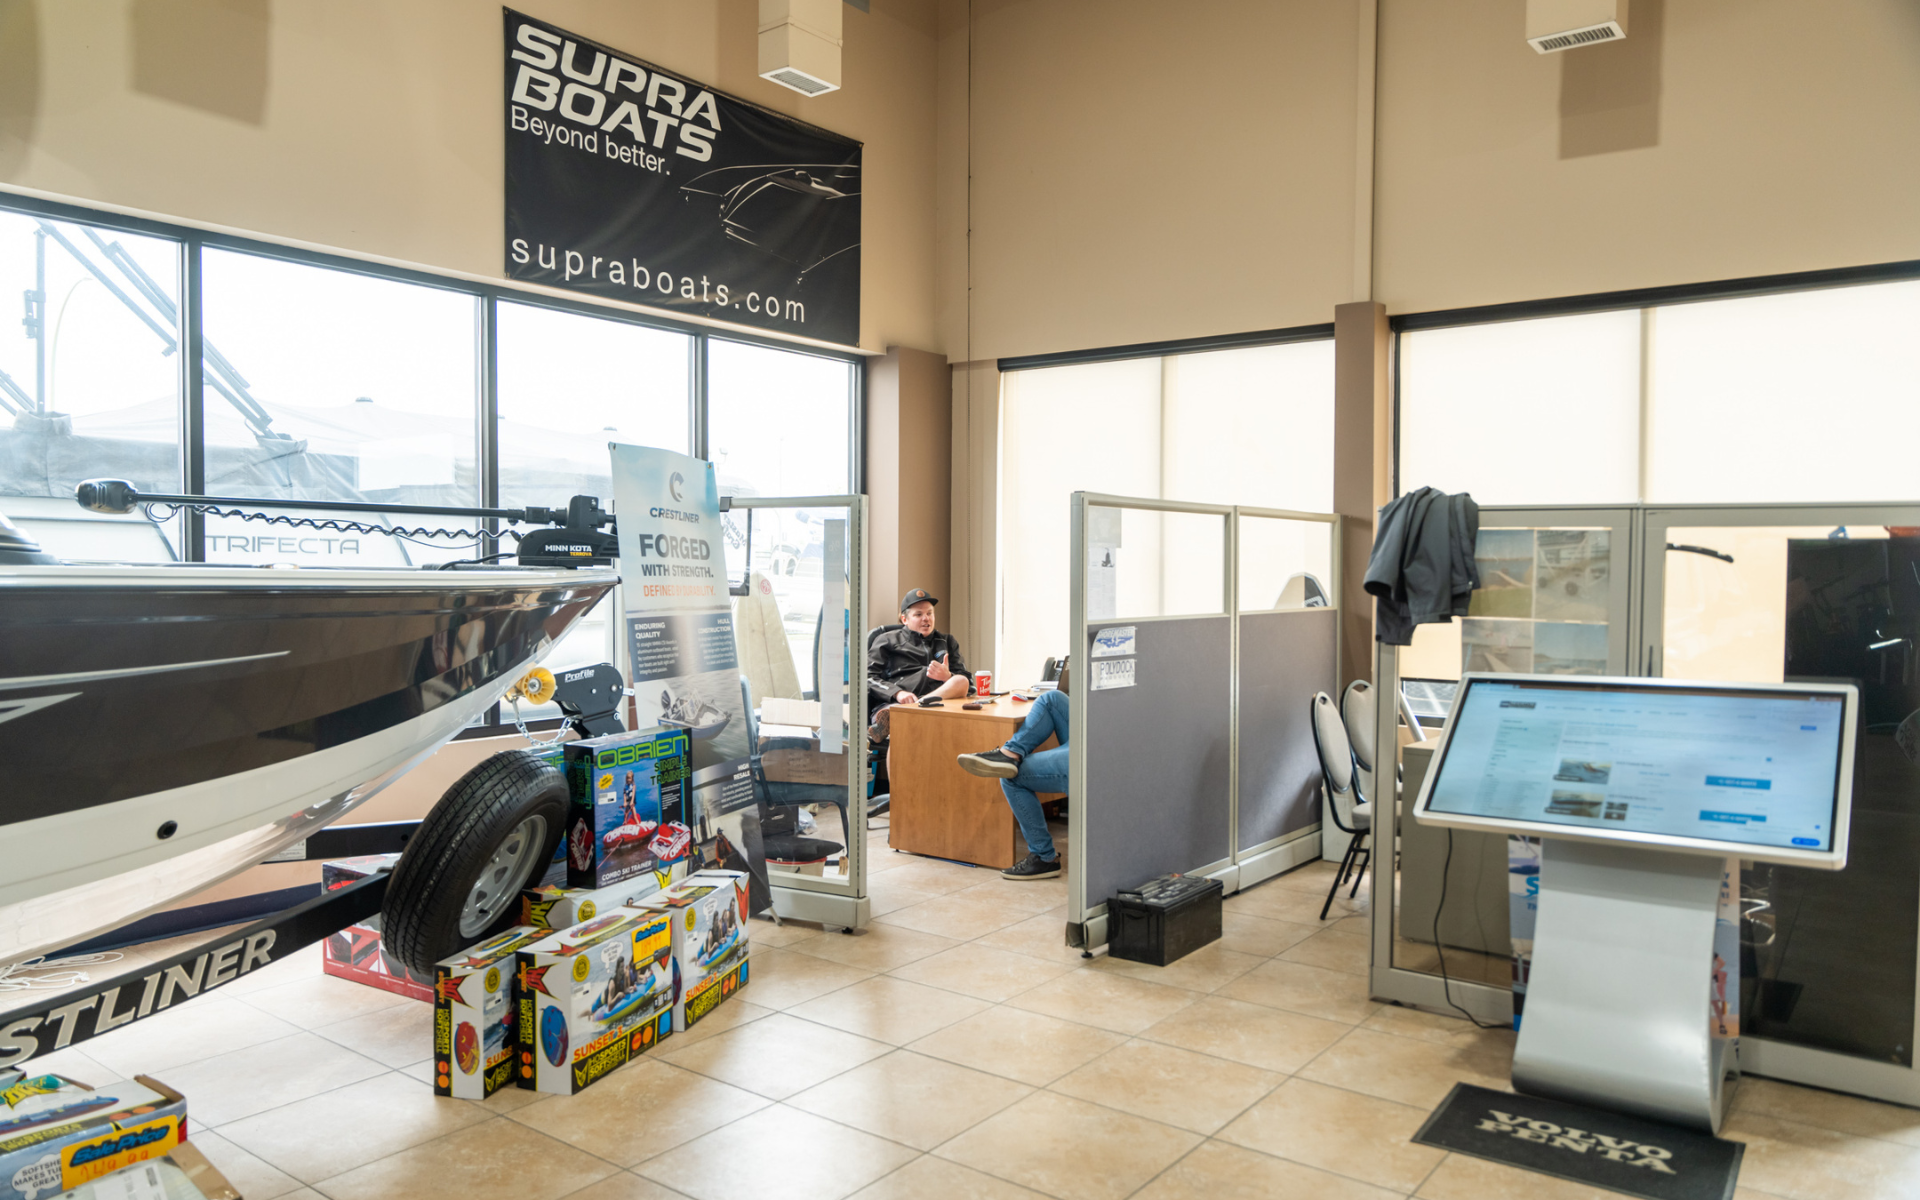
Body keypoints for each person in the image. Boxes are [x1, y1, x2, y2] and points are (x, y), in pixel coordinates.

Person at [955, 680, 1068, 880]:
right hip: (1096, 733)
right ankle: (1010, 752)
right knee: (1052, 698)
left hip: (1099, 750)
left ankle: (1044, 857)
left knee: (1010, 775)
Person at [867, 589, 971, 731]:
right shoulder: (886, 640)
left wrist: (947, 677)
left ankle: (917, 708)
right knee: (904, 725)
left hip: (939, 705)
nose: (926, 618)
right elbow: (867, 677)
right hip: (895, 705)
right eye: (918, 614)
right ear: (904, 619)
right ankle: (909, 712)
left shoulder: (946, 641)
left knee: (960, 681)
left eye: (929, 613)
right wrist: (897, 693)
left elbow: (968, 684)